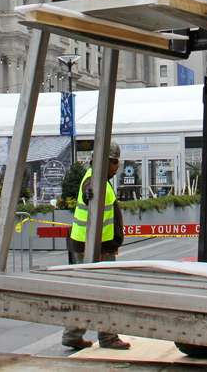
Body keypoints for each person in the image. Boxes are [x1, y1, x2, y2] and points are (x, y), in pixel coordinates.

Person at [62, 146, 129, 351]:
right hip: (92, 247)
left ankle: (72, 335)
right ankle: (108, 337)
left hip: (90, 244)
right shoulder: (94, 180)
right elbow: (87, 191)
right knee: (107, 292)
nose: (117, 167)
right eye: (115, 162)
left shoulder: (99, 179)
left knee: (84, 291)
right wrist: (89, 193)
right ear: (105, 161)